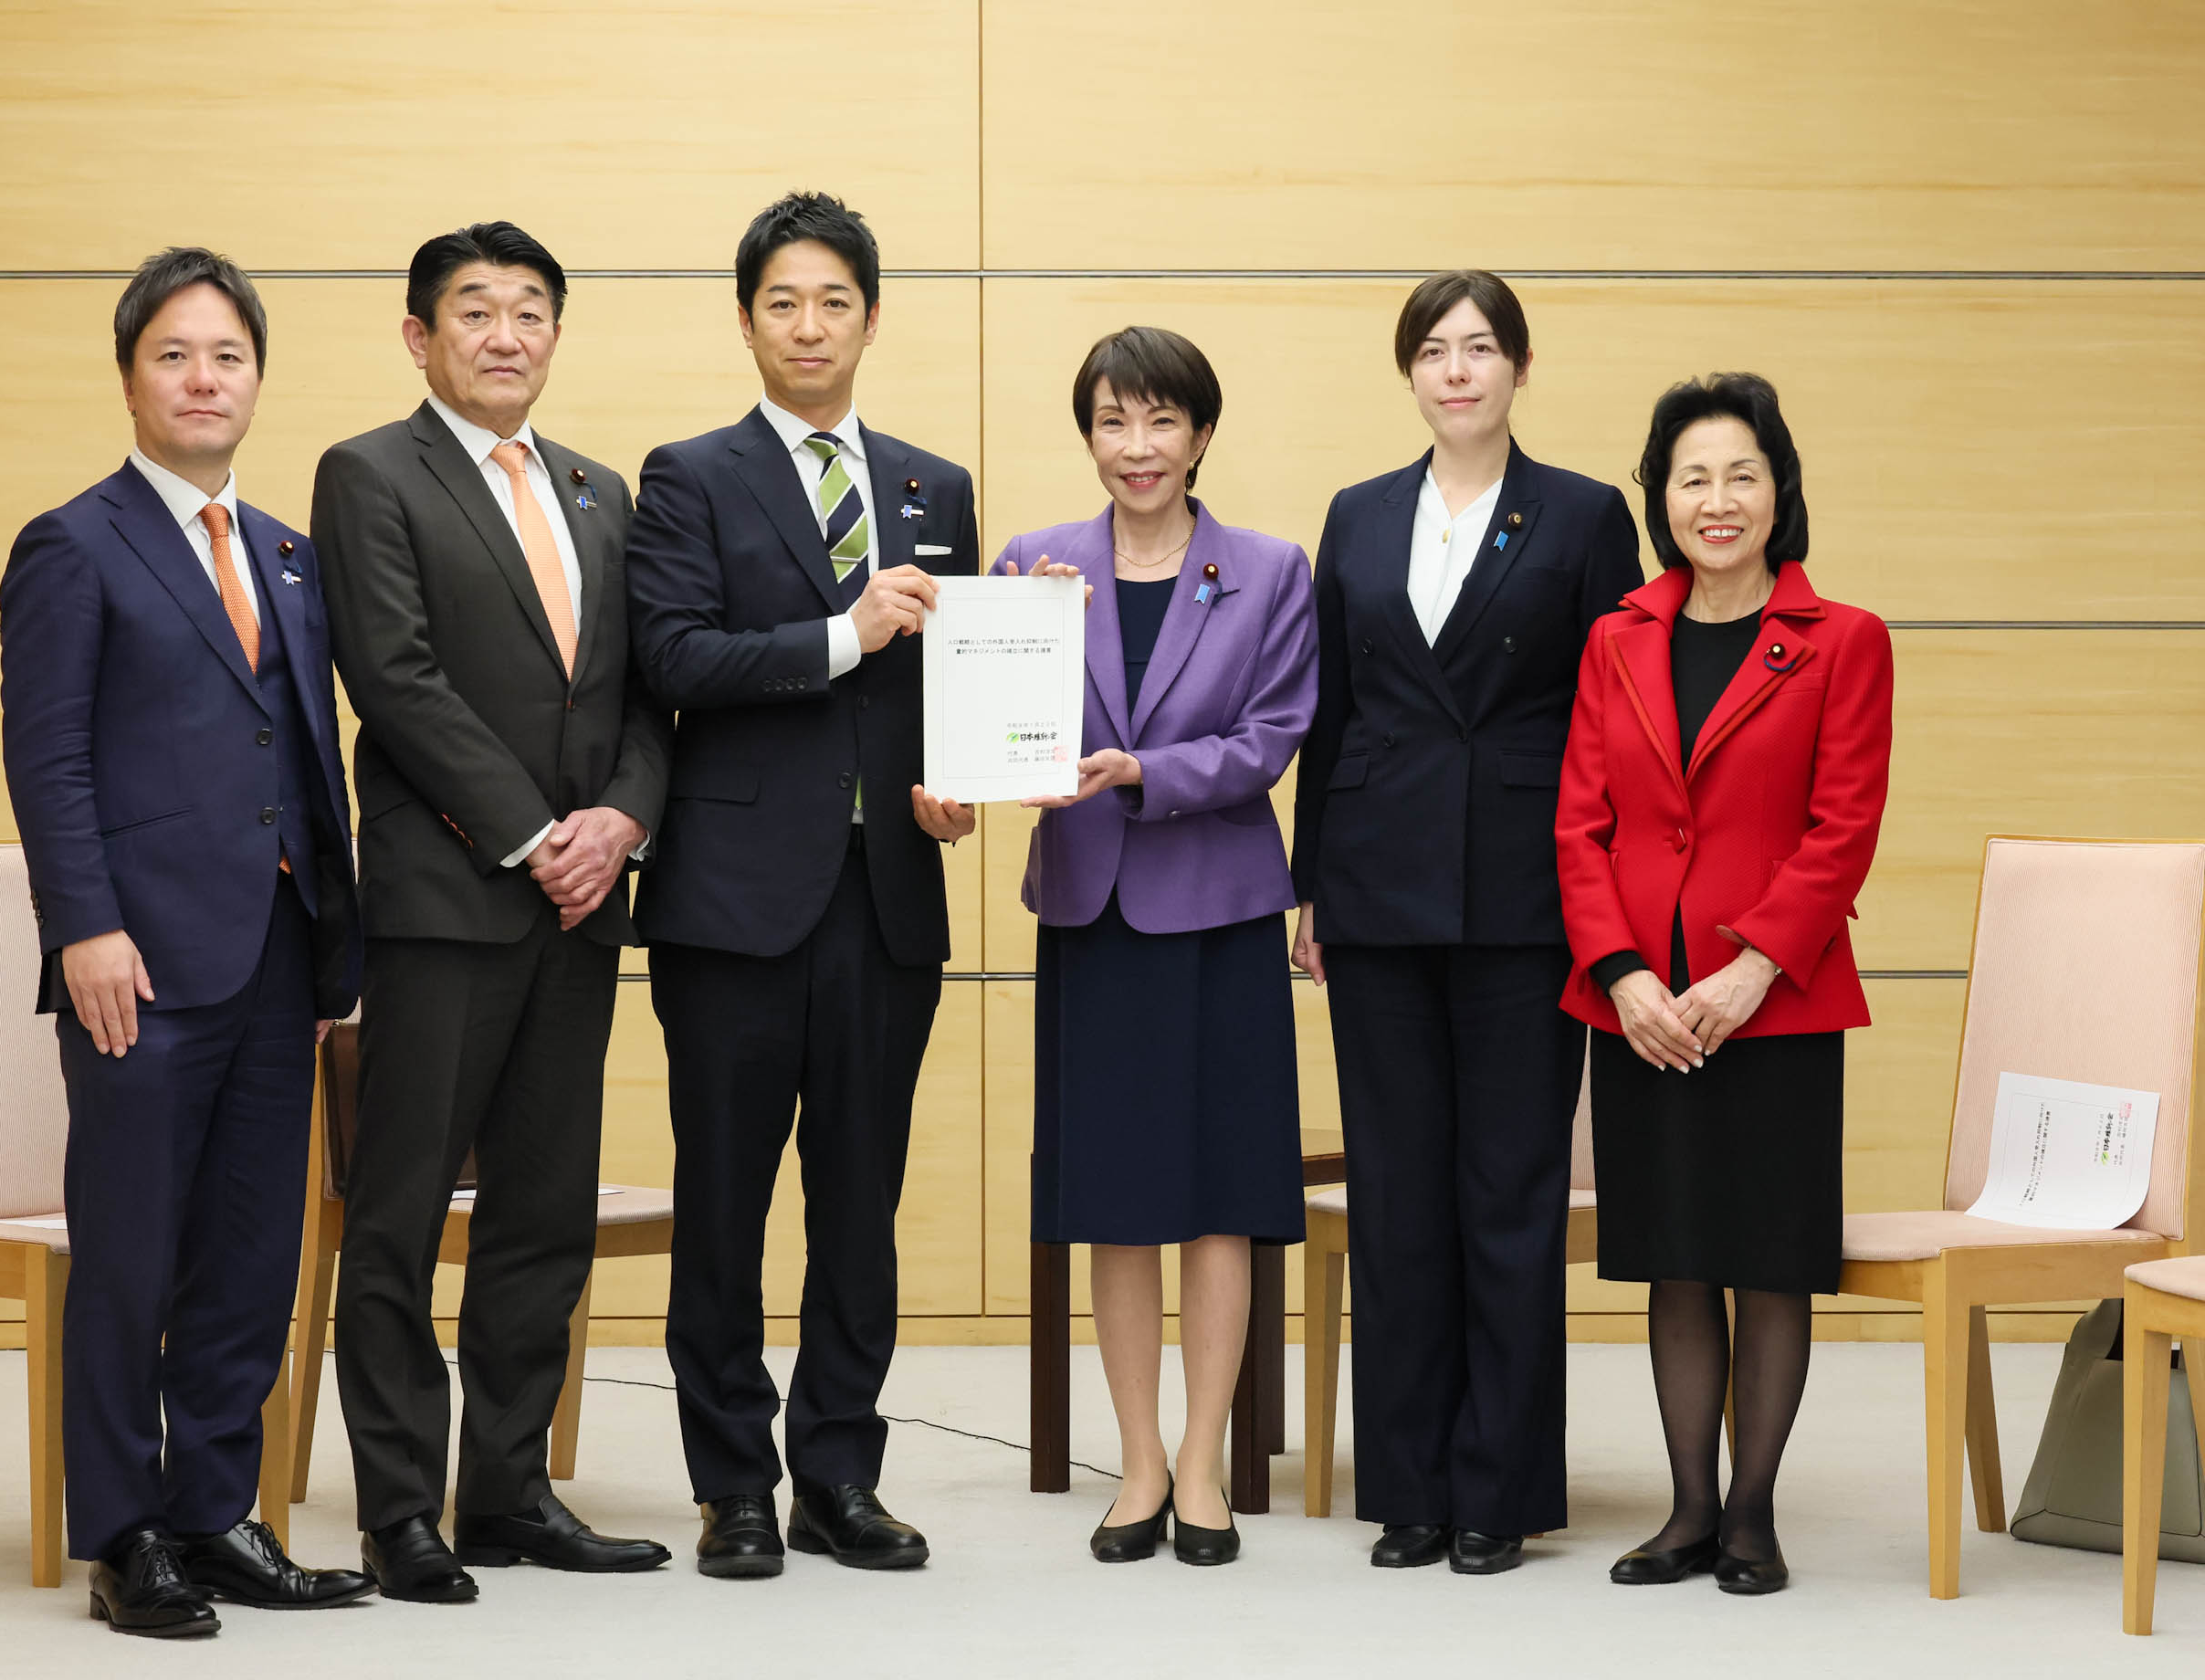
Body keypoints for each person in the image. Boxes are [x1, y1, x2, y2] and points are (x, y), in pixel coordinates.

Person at [0, 247, 372, 1636]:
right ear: (129, 376)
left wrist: (341, 941)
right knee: (131, 1253)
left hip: (278, 952)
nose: (203, 377)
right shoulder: (72, 543)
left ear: (256, 379)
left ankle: (218, 1514)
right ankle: (123, 1534)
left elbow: (306, 749)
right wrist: (80, 925)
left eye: (227, 355)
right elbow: (49, 761)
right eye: (175, 354)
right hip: (138, 966)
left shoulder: (285, 549)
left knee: (248, 1256)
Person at [311, 222, 674, 1601]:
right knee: (399, 1215)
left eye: (532, 311)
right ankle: (402, 1510)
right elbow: (396, 683)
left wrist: (621, 824)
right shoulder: (370, 474)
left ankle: (511, 1492)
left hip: (581, 907)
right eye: (477, 311)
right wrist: (534, 836)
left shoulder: (596, 490)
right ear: (422, 337)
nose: (507, 334)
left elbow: (646, 691)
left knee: (543, 1215)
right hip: (444, 904)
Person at [625, 192, 978, 1579]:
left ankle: (838, 1469)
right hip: (731, 902)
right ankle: (733, 1484)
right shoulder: (689, 476)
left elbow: (948, 679)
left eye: (835, 301)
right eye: (784, 301)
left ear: (871, 317)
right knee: (723, 1202)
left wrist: (960, 782)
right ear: (747, 319)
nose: (811, 324)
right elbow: (676, 660)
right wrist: (842, 634)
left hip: (886, 896)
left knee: (860, 1202)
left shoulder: (932, 485)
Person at [1290, 270, 1643, 1575]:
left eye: (1480, 348)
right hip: (1376, 888)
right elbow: (1329, 712)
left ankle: (1497, 1490)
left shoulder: (1586, 515)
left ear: (1519, 367)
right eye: (1433, 350)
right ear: (1410, 372)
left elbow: (1625, 713)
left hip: (1526, 890)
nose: (1456, 371)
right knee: (1395, 1196)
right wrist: (1308, 880)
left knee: (1508, 1195)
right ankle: (1411, 1487)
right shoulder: (1362, 514)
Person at [1556, 373, 1891, 1595]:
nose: (1717, 499)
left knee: (1767, 1258)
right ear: (1662, 496)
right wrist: (1627, 975)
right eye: (1692, 476)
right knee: (1676, 1256)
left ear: (1779, 491)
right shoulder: (1618, 638)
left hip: (1779, 1002)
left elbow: (1842, 825)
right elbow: (1578, 829)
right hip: (1644, 1011)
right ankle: (1687, 1509)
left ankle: (1752, 1515)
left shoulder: (1842, 640)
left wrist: (1752, 966)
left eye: (1741, 474)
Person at [1006, 327, 1316, 1567]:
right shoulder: (1034, 565)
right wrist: (977, 779)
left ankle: (1204, 1463)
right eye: (1113, 423)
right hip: (1093, 916)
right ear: (1088, 434)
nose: (1138, 449)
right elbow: (996, 722)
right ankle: (1135, 1462)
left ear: (1200, 434)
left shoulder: (1269, 569)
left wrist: (1151, 771)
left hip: (1222, 913)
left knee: (1219, 1204)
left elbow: (1276, 731)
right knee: (1117, 1204)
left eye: (1162, 423)